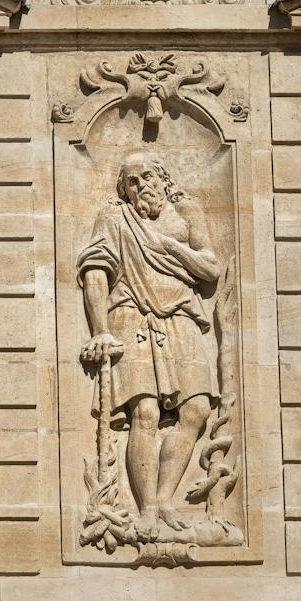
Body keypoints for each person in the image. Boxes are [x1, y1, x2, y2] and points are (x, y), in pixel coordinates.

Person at [76, 151, 222, 541]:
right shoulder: (113, 218)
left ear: (162, 178)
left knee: (197, 409)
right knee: (145, 412)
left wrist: (169, 248)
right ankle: (148, 510)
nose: (140, 186)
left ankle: (166, 499)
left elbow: (211, 268)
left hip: (181, 314)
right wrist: (99, 330)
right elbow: (95, 271)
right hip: (131, 313)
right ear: (123, 189)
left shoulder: (186, 212)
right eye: (131, 182)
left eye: (145, 177)